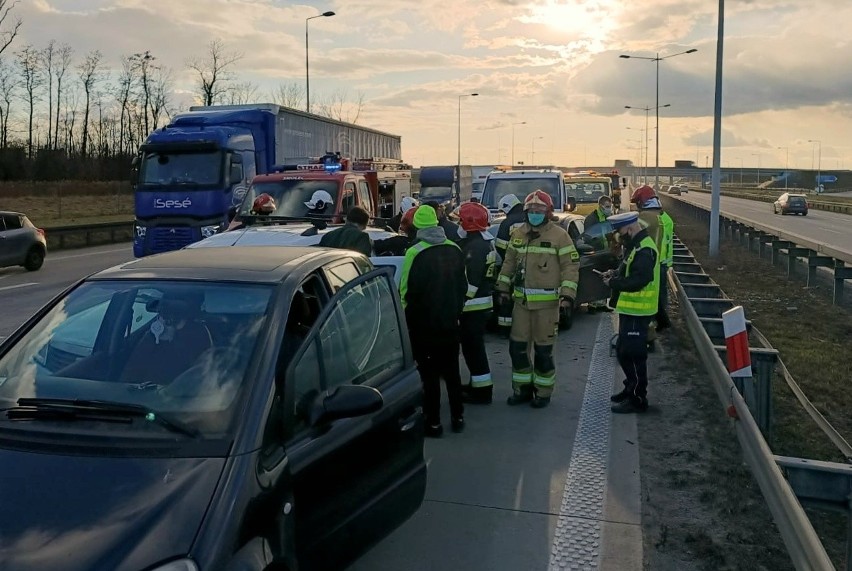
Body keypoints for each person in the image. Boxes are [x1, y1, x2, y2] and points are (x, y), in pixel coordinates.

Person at [495, 190, 580, 408]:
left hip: (548, 307)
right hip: (521, 306)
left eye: (539, 210)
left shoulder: (560, 236)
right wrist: (502, 288)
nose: (534, 213)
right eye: (531, 210)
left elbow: (570, 267)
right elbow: (509, 263)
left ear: (548, 212)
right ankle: (522, 390)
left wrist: (567, 297)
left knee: (543, 353)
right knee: (518, 350)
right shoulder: (518, 234)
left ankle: (543, 392)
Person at [399, 205, 468, 437]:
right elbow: (463, 285)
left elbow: (406, 289)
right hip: (450, 323)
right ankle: (458, 417)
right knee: (452, 373)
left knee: (429, 377)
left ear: (417, 226)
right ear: (438, 224)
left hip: (423, 326)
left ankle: (434, 423)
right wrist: (456, 311)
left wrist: (404, 316)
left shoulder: (414, 252)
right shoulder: (455, 249)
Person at [601, 211, 660, 414]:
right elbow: (628, 270)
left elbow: (639, 280)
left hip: (639, 312)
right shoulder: (634, 246)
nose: (619, 236)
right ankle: (630, 388)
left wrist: (614, 282)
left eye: (620, 231)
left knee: (634, 355)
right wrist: (614, 273)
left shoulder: (644, 249)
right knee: (623, 351)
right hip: (630, 310)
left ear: (630, 228)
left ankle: (637, 398)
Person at [457, 202, 498, 405]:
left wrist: (458, 303)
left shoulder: (475, 248)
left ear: (468, 223)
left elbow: (470, 284)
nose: (457, 223)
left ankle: (482, 392)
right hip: (480, 305)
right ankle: (478, 385)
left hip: (473, 308)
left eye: (460, 220)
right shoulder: (482, 243)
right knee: (473, 350)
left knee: (474, 350)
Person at [632, 184, 674, 333]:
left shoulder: (647, 218)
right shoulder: (664, 218)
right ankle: (663, 323)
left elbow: (636, 234)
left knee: (652, 296)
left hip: (653, 261)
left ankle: (658, 324)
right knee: (658, 295)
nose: (637, 208)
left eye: (638, 204)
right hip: (661, 261)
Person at [494, 194, 526, 334]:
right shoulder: (531, 217)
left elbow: (500, 245)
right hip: (535, 266)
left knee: (506, 295)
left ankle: (505, 328)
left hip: (512, 266)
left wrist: (508, 261)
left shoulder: (507, 223)